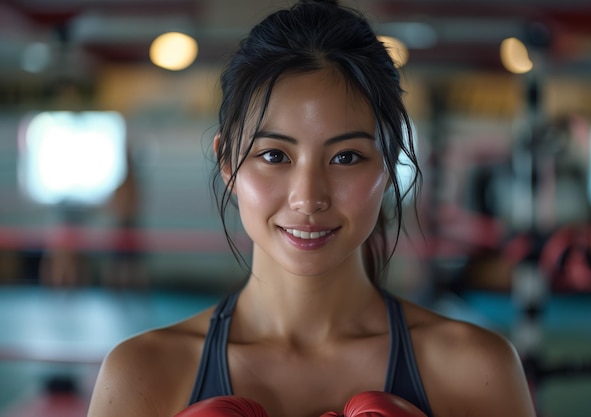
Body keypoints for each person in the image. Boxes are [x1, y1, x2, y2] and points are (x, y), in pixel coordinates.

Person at [86, 1, 536, 416]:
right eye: (275, 155)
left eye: (346, 157)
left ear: (389, 163)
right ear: (227, 162)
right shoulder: (142, 376)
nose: (308, 198)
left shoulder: (477, 372)